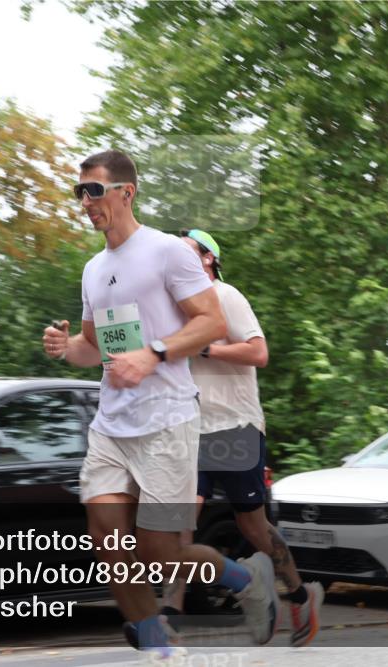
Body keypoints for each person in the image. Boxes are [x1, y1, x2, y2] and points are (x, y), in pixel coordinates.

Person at [41, 150, 280, 658]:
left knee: (160, 557)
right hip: (112, 426)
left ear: (126, 192)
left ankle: (246, 578)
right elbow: (95, 348)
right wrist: (68, 350)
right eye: (79, 192)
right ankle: (159, 649)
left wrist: (153, 354)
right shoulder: (92, 269)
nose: (85, 202)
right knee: (109, 542)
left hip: (167, 422)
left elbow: (211, 323)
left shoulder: (169, 252)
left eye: (94, 190)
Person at [160, 229, 324, 647]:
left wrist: (206, 349)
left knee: (252, 526)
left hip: (235, 426)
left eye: (187, 252)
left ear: (209, 259)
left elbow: (258, 352)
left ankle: (299, 595)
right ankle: (169, 616)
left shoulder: (225, 297)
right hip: (190, 429)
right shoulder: (173, 310)